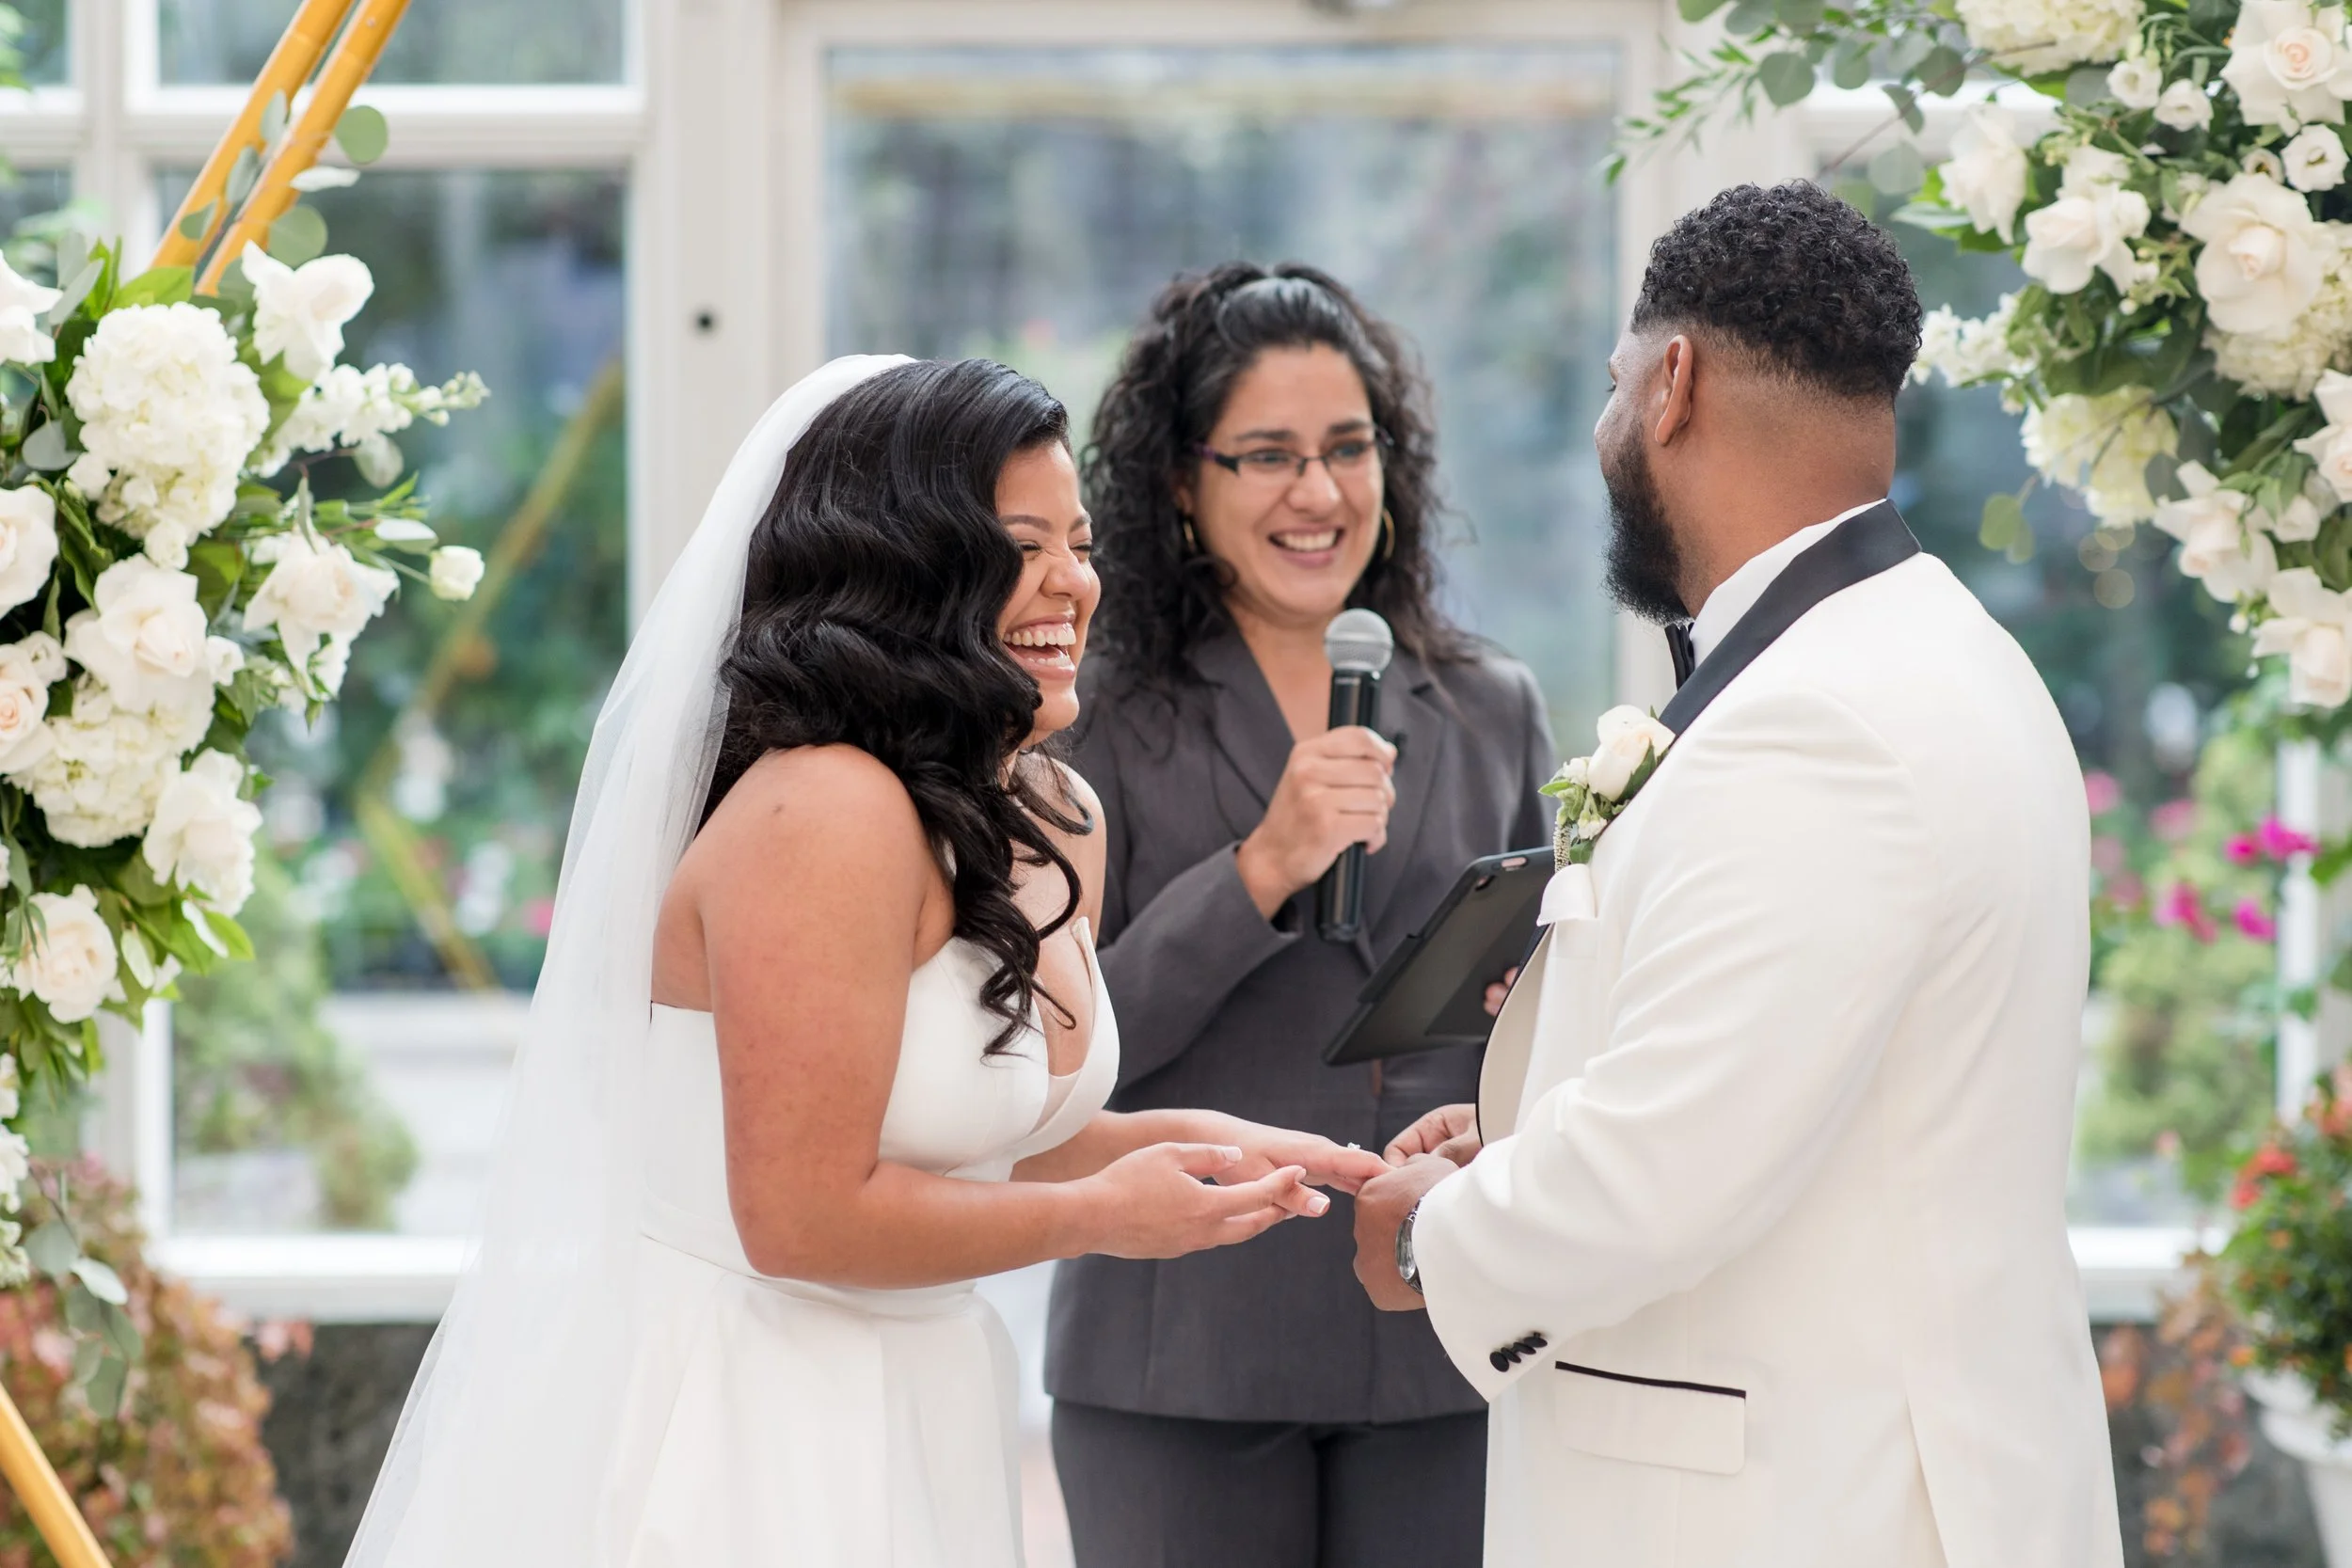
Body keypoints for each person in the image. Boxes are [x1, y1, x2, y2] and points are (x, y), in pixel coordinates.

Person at [342, 355, 1386, 1568]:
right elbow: (800, 1216)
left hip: (920, 1393)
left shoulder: (1056, 814)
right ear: (905, 567)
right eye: (1023, 547)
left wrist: (1203, 1144)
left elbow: (978, 1135)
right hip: (751, 1414)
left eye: (1082, 544)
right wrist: (1103, 1218)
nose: (1073, 583)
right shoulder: (824, 810)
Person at [1350, 183, 2124, 1567]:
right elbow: (1805, 1088)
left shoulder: (1816, 721)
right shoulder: (1947, 653)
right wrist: (1525, 1130)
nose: (1606, 427)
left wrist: (1435, 1234)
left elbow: (1668, 1159)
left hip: (1795, 1502)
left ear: (1674, 384)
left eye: (1612, 386)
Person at [1044, 264, 1559, 1568]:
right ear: (1183, 481)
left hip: (1441, 1333)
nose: (1319, 493)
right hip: (1178, 1346)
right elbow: (1059, 1059)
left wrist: (1534, 1006)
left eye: (1347, 448)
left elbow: (1550, 1021)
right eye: (1269, 455)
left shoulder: (1492, 702)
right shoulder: (1097, 712)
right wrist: (1260, 867)